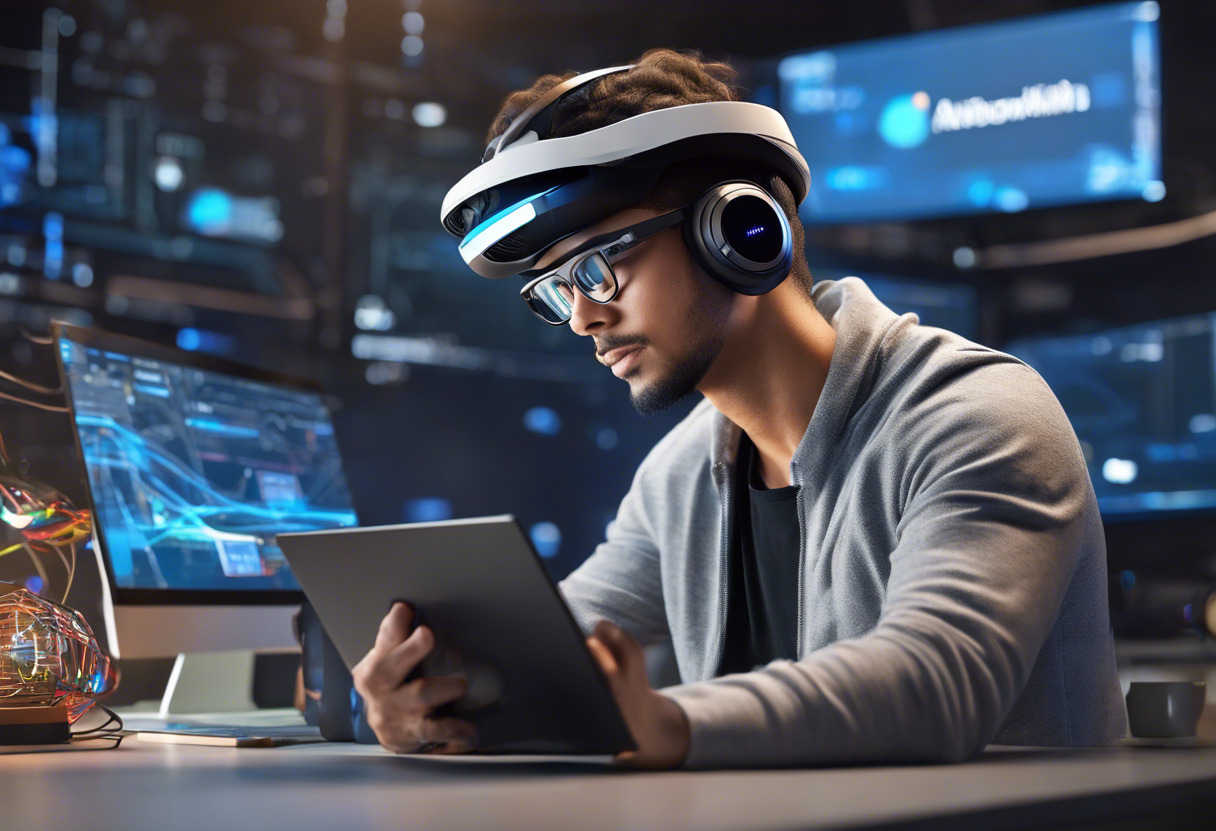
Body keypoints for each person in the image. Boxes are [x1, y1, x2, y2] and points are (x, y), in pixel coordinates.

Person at [351, 49, 1128, 769]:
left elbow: (937, 686)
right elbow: (555, 649)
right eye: (557, 291)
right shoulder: (682, 475)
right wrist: (419, 696)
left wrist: (673, 723)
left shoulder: (977, 415)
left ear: (738, 229)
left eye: (597, 266)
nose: (584, 318)